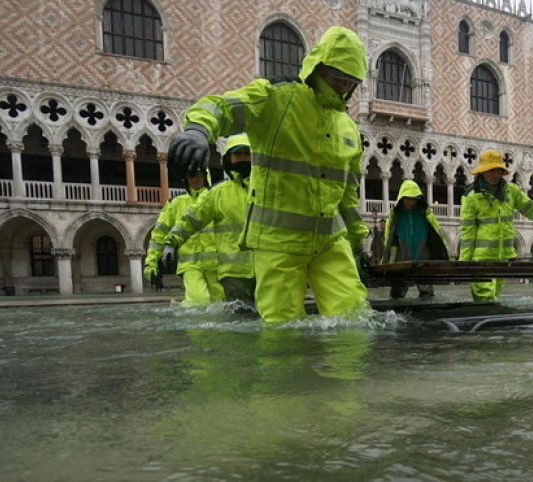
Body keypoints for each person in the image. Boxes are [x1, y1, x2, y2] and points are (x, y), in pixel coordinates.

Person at [167, 26, 369, 323]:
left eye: (350, 81)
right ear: (317, 67)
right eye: (336, 76)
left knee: (355, 319)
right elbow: (222, 106)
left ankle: (348, 371)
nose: (342, 86)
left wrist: (357, 243)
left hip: (329, 242)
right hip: (278, 242)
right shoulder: (277, 97)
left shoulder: (348, 127)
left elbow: (348, 196)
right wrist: (198, 129)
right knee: (282, 329)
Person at [459, 149, 533, 302]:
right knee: (485, 300)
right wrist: (465, 263)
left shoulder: (511, 191)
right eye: (491, 170)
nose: (496, 175)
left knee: (494, 299)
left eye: (498, 170)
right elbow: (467, 231)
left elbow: (531, 209)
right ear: (482, 172)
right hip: (481, 260)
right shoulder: (471, 196)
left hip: (503, 257)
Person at [162, 134, 256, 305]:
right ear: (228, 159)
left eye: (247, 154)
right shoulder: (217, 193)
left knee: (274, 316)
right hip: (234, 273)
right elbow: (190, 220)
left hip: (269, 267)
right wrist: (171, 243)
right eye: (238, 154)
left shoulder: (269, 189)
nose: (243, 158)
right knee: (240, 321)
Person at [144, 169, 221, 305]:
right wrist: (151, 262)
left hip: (217, 265)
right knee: (198, 301)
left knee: (221, 305)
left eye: (198, 175)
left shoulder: (216, 198)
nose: (194, 179)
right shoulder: (176, 203)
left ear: (206, 176)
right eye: (190, 176)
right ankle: (193, 325)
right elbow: (159, 234)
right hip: (189, 265)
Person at [381, 180, 451, 299]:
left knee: (427, 292)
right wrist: (389, 260)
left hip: (423, 258)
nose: (411, 202)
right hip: (402, 260)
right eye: (408, 199)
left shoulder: (425, 214)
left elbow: (437, 235)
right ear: (402, 198)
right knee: (397, 293)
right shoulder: (395, 217)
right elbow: (389, 240)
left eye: (414, 199)